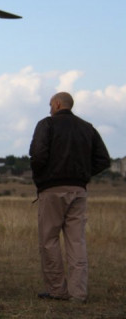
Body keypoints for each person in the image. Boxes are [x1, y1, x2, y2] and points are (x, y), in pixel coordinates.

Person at [29, 92, 110, 303]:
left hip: (52, 190)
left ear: (57, 104)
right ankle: (78, 293)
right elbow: (103, 159)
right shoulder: (87, 127)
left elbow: (37, 155)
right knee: (76, 241)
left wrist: (42, 177)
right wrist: (82, 174)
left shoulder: (46, 125)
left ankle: (57, 290)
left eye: (50, 105)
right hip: (79, 190)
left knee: (49, 240)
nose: (49, 109)